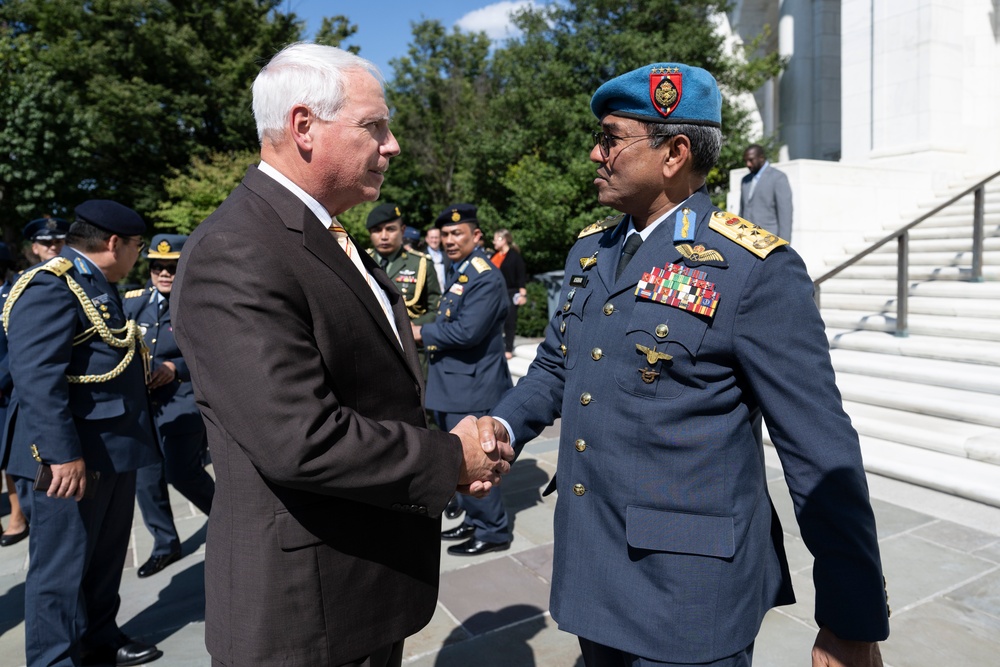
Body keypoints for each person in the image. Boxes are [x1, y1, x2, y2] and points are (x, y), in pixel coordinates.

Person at [479, 62, 889, 666]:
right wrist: (502, 430)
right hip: (592, 571)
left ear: (673, 153)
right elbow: (556, 366)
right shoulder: (591, 252)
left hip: (688, 600)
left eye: (611, 138)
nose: (596, 153)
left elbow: (819, 447)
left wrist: (851, 618)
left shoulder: (754, 269)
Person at [170, 42, 510, 667]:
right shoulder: (238, 249)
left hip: (358, 590)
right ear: (304, 126)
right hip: (308, 612)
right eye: (374, 126)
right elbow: (301, 438)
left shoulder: (318, 231)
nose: (393, 145)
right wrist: (448, 458)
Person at [1, 200, 163, 666]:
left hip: (111, 447)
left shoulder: (97, 281)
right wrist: (60, 455)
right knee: (61, 567)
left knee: (105, 558)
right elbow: (36, 378)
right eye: (137, 246)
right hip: (69, 456)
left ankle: (98, 638)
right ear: (114, 244)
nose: (139, 255)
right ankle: (53, 659)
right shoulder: (51, 285)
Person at [413, 204, 513, 556]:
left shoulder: (485, 275)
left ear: (477, 236)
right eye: (445, 235)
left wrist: (420, 333)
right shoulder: (464, 270)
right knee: (460, 464)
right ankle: (473, 521)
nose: (450, 240)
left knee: (476, 463)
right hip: (452, 386)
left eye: (458, 233)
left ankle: (493, 531)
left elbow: (468, 331)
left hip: (471, 388)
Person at [124, 234, 215, 578]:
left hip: (183, 399)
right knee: (145, 478)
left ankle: (228, 520)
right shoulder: (133, 303)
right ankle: (165, 544)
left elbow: (213, 351)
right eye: (157, 267)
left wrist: (177, 367)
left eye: (172, 267)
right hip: (144, 406)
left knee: (181, 472)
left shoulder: (198, 300)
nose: (164, 273)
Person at [0, 241, 29, 548]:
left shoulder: (15, 294)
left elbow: (19, 345)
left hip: (6, 392)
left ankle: (17, 517)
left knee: (9, 459)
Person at [740, 144, 793, 242]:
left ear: (761, 158)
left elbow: (785, 216)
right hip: (746, 241)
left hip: (769, 241)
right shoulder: (745, 180)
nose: (748, 164)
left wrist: (784, 247)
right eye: (746, 161)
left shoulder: (778, 178)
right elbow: (742, 211)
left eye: (751, 160)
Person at [490, 228, 528, 359]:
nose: (493, 242)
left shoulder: (514, 256)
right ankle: (496, 346)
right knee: (495, 320)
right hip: (495, 293)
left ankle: (508, 348)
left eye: (496, 239)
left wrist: (522, 294)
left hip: (511, 292)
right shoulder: (494, 256)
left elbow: (521, 275)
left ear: (503, 240)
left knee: (509, 321)